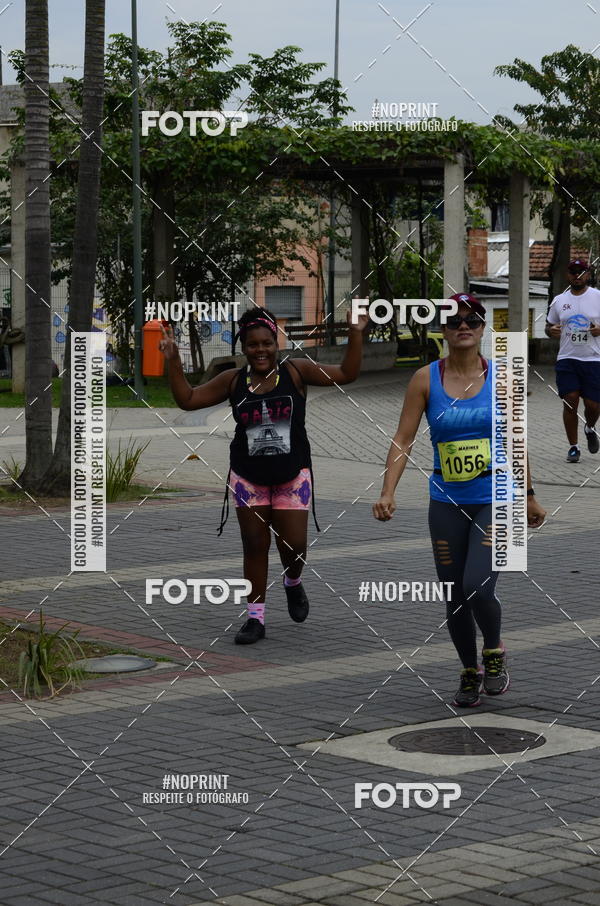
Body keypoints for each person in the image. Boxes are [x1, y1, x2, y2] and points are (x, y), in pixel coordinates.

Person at [373, 293, 546, 707]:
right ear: (444, 331)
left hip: (498, 497)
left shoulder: (504, 377)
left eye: (472, 319)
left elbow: (515, 441)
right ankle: (469, 670)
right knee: (453, 592)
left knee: (477, 587)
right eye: (454, 321)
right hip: (445, 500)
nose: (463, 326)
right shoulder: (424, 379)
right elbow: (404, 438)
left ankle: (495, 650)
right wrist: (388, 490)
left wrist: (530, 496)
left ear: (483, 328)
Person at [160, 307, 368, 644]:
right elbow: (187, 399)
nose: (260, 350)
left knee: (295, 546)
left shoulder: (296, 372)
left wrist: (356, 332)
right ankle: (255, 619)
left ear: (277, 343)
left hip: (291, 475)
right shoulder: (233, 381)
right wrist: (172, 360)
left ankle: (292, 582)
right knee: (255, 545)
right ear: (243, 345)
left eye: (267, 343)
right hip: (248, 476)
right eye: (253, 344)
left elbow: (347, 373)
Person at [545, 259, 600, 463]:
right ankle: (573, 447)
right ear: (568, 275)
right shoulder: (559, 300)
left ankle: (589, 427)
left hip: (594, 359)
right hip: (567, 358)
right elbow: (548, 327)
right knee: (570, 401)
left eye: (581, 272)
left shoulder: (597, 297)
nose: (577, 275)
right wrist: (551, 331)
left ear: (588, 274)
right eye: (573, 272)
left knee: (593, 406)